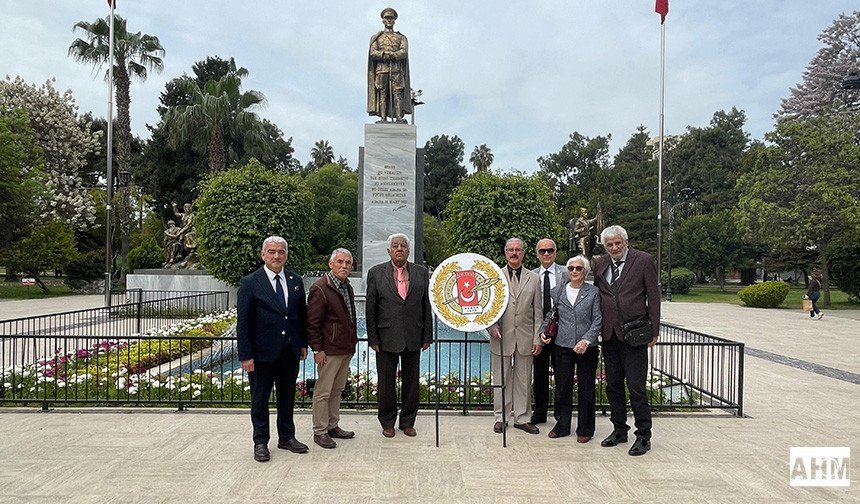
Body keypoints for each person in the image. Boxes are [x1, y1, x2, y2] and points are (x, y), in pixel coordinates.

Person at [237, 236, 309, 462]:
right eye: (271, 252)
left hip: (289, 352)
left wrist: (303, 343)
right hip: (261, 355)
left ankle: (287, 437)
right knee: (260, 400)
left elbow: (300, 316)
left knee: (287, 398)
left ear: (286, 255)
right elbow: (244, 322)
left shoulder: (295, 280)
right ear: (263, 255)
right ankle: (260, 441)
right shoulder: (250, 282)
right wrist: (246, 354)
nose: (276, 256)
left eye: (280, 252)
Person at [592, 225, 660, 456]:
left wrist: (654, 330)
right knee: (613, 387)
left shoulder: (643, 261)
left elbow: (653, 296)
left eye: (617, 243)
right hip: (609, 334)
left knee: (636, 387)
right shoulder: (600, 264)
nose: (614, 248)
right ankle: (619, 430)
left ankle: (643, 435)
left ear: (626, 242)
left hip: (634, 334)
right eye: (609, 244)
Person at [366, 233, 432, 438]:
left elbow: (426, 306)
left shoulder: (421, 273)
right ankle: (387, 422)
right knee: (386, 384)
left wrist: (427, 336)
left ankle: (407, 422)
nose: (399, 248)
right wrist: (373, 338)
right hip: (386, 338)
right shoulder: (376, 273)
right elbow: (371, 309)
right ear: (389, 251)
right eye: (395, 246)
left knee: (412, 384)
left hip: (414, 335)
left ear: (409, 251)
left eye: (403, 245)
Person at [538, 256, 601, 442]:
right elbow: (552, 314)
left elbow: (598, 319)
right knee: (562, 387)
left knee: (586, 388)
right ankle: (562, 425)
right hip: (563, 345)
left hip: (586, 347)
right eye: (571, 268)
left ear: (585, 272)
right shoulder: (557, 291)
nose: (574, 271)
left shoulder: (594, 292)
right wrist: (543, 331)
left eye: (578, 268)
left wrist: (586, 340)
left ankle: (585, 428)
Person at [489, 237, 543, 435]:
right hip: (500, 336)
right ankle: (500, 417)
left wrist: (538, 338)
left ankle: (522, 418)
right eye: (510, 249)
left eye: (518, 250)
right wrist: (491, 327)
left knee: (523, 380)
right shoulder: (494, 276)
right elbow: (488, 308)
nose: (514, 253)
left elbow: (538, 311)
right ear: (505, 252)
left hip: (526, 337)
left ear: (523, 253)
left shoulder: (534, 278)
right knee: (501, 379)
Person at [306, 248, 358, 449]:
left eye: (347, 263)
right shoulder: (320, 289)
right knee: (323, 392)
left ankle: (332, 425)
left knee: (337, 390)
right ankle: (320, 431)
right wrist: (317, 349)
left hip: (345, 348)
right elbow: (313, 323)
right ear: (331, 264)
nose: (344, 266)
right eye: (340, 262)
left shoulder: (347, 286)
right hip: (329, 351)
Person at [530, 238, 566, 425]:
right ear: (537, 254)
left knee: (561, 374)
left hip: (561, 332)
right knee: (540, 374)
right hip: (539, 332)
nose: (546, 254)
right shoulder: (532, 276)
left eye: (550, 250)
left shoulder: (566, 273)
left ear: (555, 252)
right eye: (542, 251)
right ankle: (540, 412)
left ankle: (560, 414)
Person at [367, 7, 412, 123]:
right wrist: (384, 54)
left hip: (396, 69)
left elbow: (404, 51)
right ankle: (383, 117)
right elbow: (372, 53)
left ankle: (398, 117)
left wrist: (395, 55)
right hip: (381, 69)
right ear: (383, 20)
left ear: (394, 20)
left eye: (391, 18)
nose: (389, 20)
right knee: (382, 93)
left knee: (397, 93)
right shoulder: (377, 37)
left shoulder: (401, 37)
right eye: (387, 18)